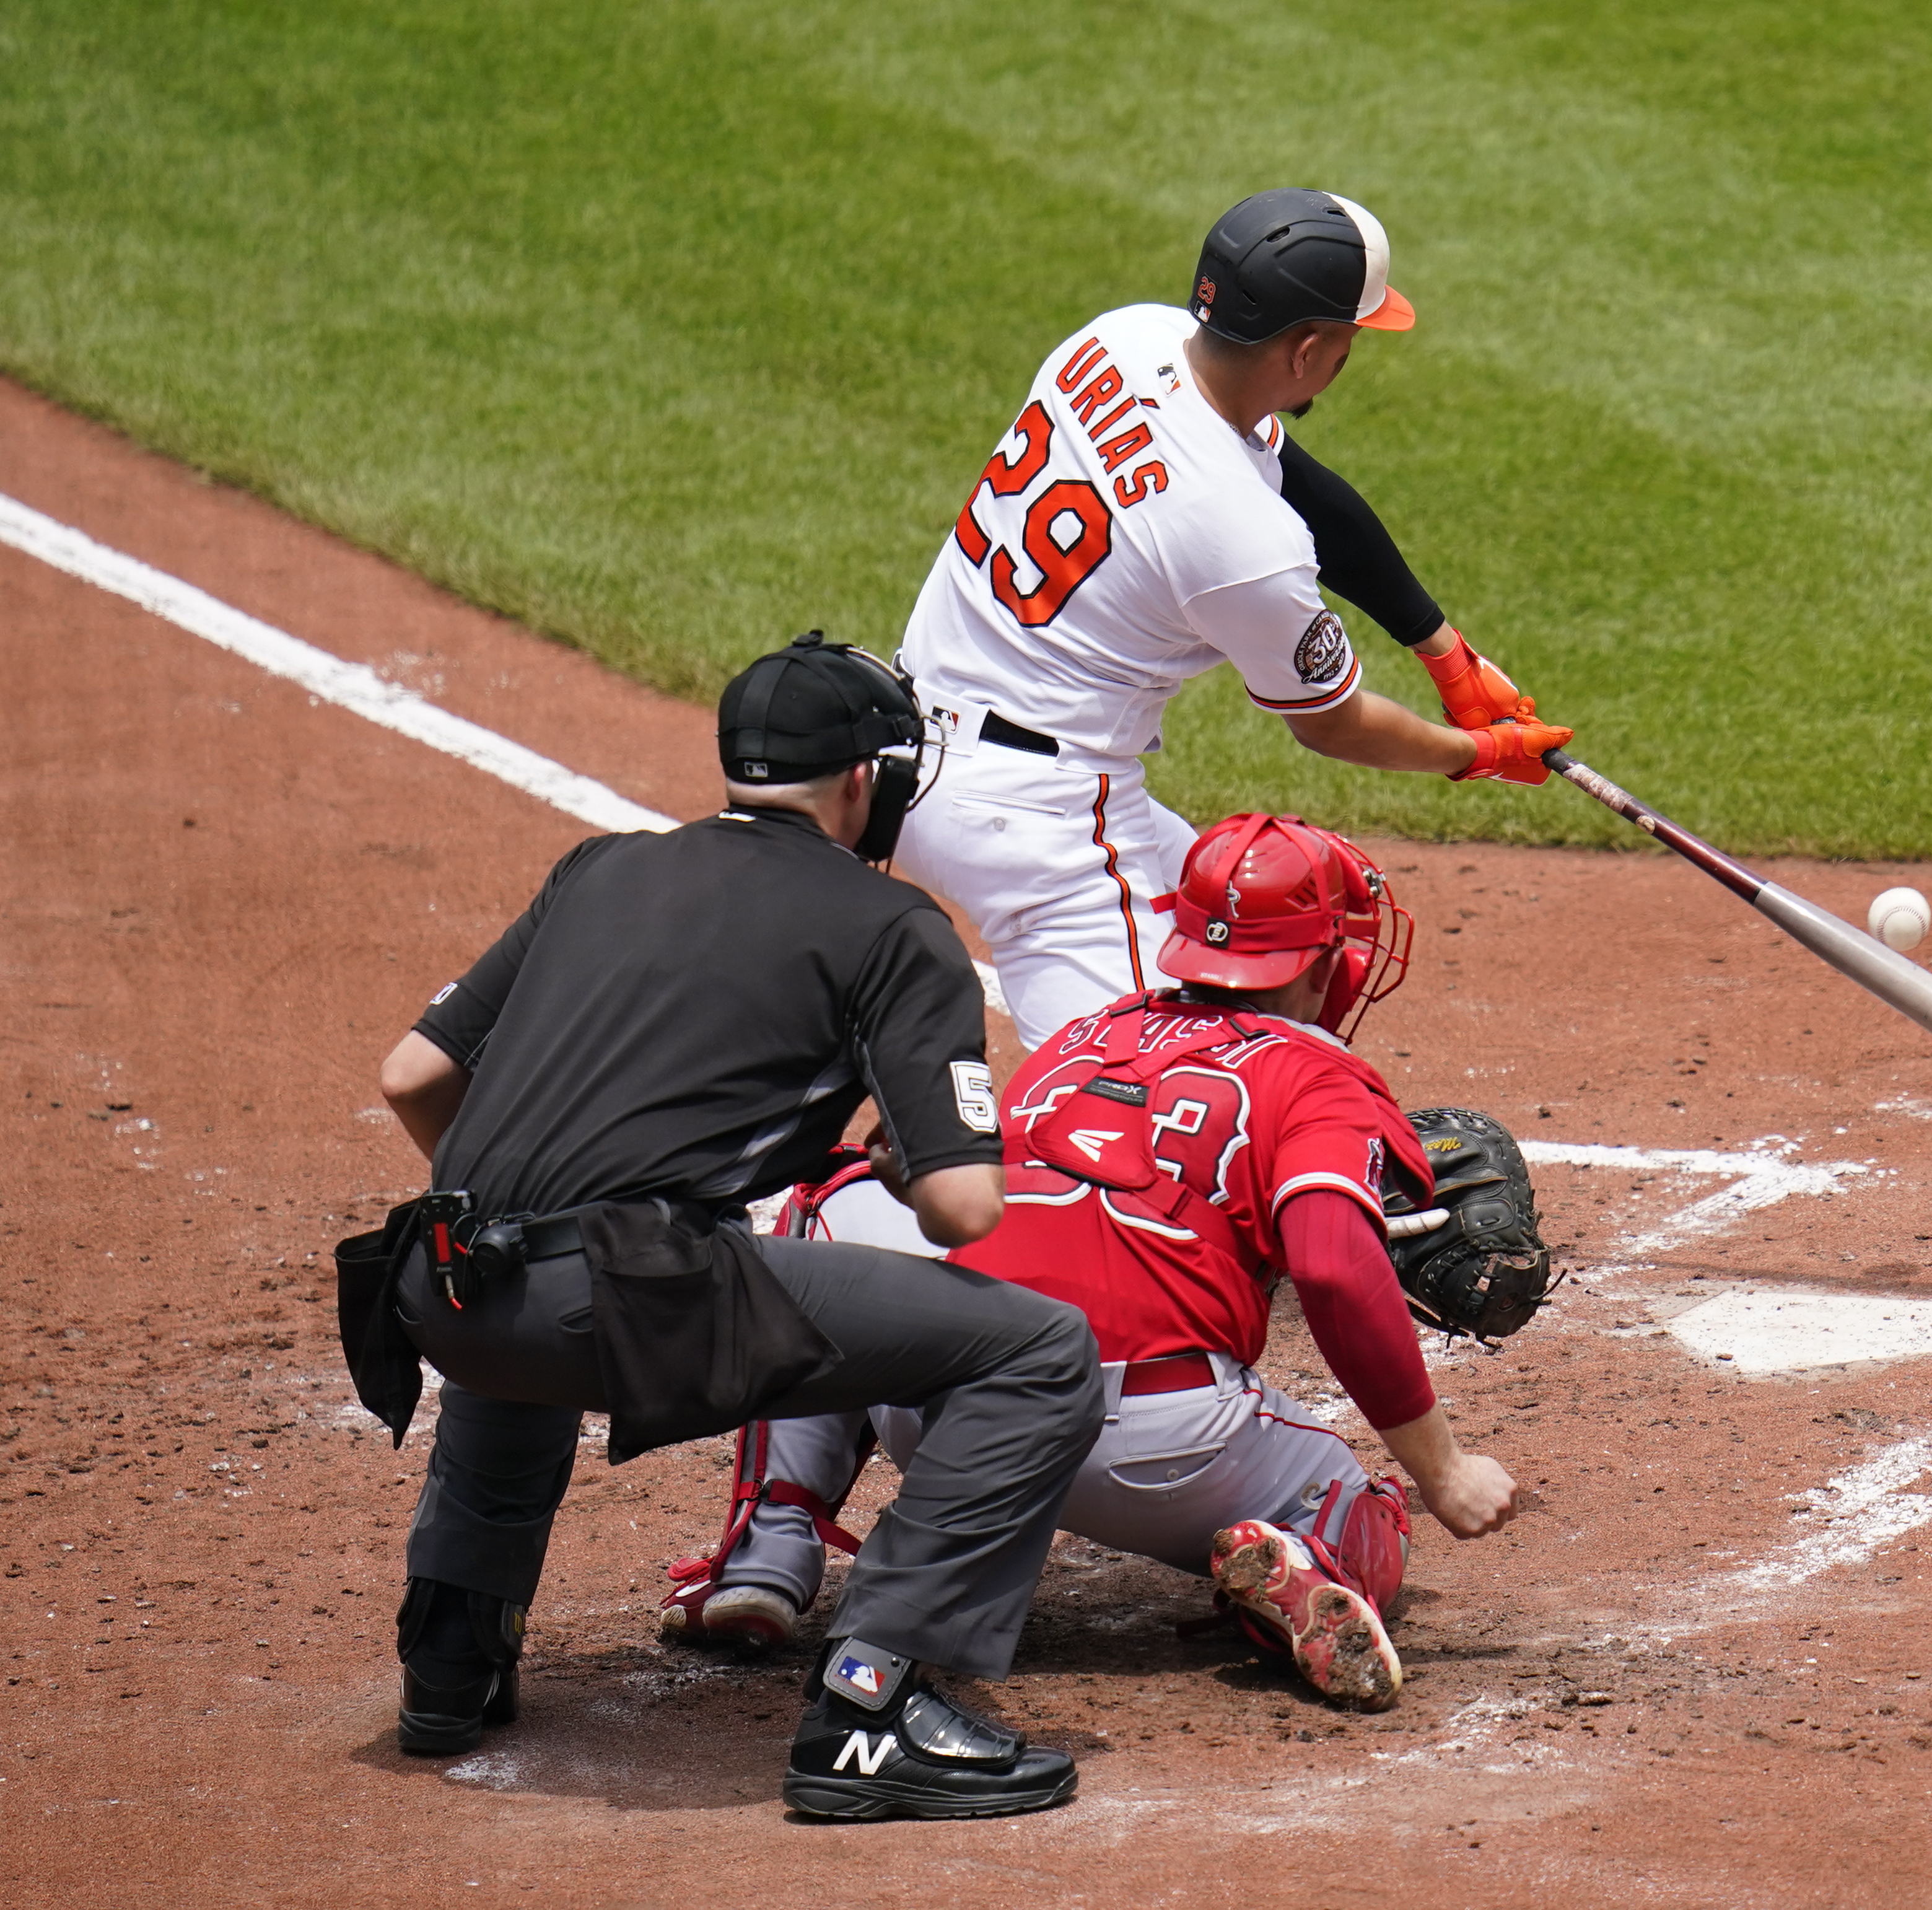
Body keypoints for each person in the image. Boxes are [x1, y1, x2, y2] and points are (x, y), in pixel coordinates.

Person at [362, 633, 1103, 1820]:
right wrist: (912, 1159)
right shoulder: (892, 926)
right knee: (1041, 1352)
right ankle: (872, 1704)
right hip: (616, 1301)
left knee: (530, 1260)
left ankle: (449, 1664)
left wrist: (524, 1213)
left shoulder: (596, 867)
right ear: (865, 780)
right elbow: (967, 1211)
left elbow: (412, 1076)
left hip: (437, 1287)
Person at [662, 812, 1523, 1709]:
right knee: (1354, 1495)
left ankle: (766, 1555)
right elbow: (1336, 1269)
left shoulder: (1074, 1043)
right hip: (1164, 1455)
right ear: (1317, 966)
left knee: (827, 1212)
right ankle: (1305, 1556)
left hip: (947, 1417)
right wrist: (1445, 1473)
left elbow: (933, 1169)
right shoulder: (1318, 1076)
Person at [890, 186, 1573, 1046]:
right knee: (1134, 1098)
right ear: (1309, 348)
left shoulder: (1123, 338)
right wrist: (1476, 754)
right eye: (1351, 340)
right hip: (1039, 823)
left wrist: (1446, 654)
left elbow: (1310, 487)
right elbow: (1335, 726)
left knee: (1256, 931)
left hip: (902, 735)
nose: (1351, 355)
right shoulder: (1245, 543)